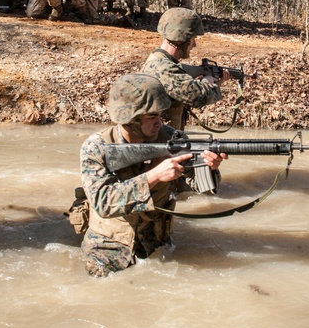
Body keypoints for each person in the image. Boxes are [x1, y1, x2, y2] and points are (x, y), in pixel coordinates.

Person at [78, 73, 225, 277]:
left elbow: (202, 187)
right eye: (152, 117)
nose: (159, 122)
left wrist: (209, 167)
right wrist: (154, 176)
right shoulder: (97, 148)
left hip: (157, 245)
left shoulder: (172, 138)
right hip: (107, 250)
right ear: (131, 120)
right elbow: (102, 203)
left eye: (160, 115)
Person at [142, 7, 228, 130]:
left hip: (167, 143)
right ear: (181, 39)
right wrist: (208, 82)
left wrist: (217, 82)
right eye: (192, 39)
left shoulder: (160, 63)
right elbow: (197, 97)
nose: (194, 44)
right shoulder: (163, 68)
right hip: (161, 145)